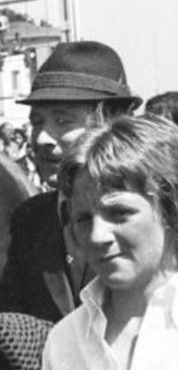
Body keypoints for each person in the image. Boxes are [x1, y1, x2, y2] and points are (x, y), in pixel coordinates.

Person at [0, 41, 141, 322]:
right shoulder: (29, 218)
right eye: (37, 122)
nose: (42, 139)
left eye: (63, 121)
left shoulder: (157, 213)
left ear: (111, 124)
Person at [42, 115, 178, 369]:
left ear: (169, 208)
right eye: (83, 219)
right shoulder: (65, 340)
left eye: (119, 213)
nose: (97, 236)